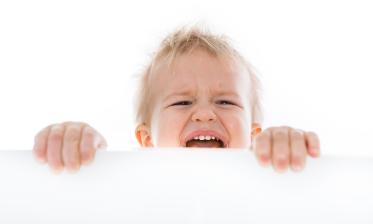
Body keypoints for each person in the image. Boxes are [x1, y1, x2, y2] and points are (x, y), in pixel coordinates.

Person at [33, 25, 321, 174]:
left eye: (226, 102)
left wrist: (285, 148)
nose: (205, 114)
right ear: (146, 140)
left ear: (254, 136)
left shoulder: (267, 181)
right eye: (182, 103)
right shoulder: (132, 189)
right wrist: (86, 152)